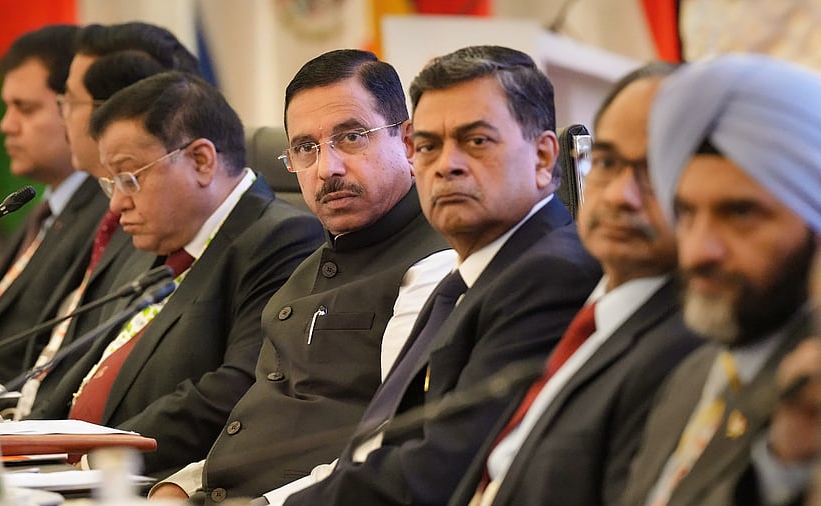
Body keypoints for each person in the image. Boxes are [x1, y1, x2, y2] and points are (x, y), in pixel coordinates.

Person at [282, 44, 602, 506]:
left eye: (476, 142)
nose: (446, 165)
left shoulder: (549, 275)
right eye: (429, 145)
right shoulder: (471, 271)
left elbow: (441, 470)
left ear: (543, 158)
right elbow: (385, 443)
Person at [150, 48, 454, 502]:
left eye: (351, 137)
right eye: (305, 148)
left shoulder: (437, 265)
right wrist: (178, 486)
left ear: (407, 142)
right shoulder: (306, 268)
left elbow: (390, 449)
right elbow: (257, 423)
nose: (326, 169)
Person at [33, 70, 325, 476]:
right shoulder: (162, 241)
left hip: (149, 480)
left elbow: (237, 388)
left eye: (129, 178)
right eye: (111, 183)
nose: (116, 205)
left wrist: (92, 459)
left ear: (201, 160)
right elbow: (92, 359)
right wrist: (28, 438)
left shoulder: (280, 240)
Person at [448, 62, 702, 506]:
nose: (620, 194)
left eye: (655, 168)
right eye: (606, 161)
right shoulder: (597, 307)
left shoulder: (684, 347)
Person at [622, 53, 821, 506]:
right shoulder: (693, 375)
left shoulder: (810, 391)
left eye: (740, 213)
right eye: (687, 212)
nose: (697, 251)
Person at [18, 22, 201, 421]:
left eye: (67, 100)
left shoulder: (158, 231)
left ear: (118, 107)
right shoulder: (100, 214)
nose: (120, 204)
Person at [0, 25, 108, 385]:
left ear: (74, 108)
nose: (5, 125)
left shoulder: (105, 217)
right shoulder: (38, 210)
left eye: (24, 109)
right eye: (6, 107)